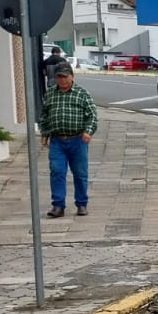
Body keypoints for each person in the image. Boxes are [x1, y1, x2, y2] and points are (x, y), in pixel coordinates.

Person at [40, 63, 97, 218]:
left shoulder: (81, 93)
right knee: (57, 171)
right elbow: (44, 115)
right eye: (59, 77)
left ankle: (81, 204)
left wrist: (88, 131)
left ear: (72, 76)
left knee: (80, 173)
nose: (63, 80)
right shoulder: (51, 94)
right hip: (57, 140)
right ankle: (58, 205)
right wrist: (44, 133)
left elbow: (92, 115)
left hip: (77, 140)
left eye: (65, 76)